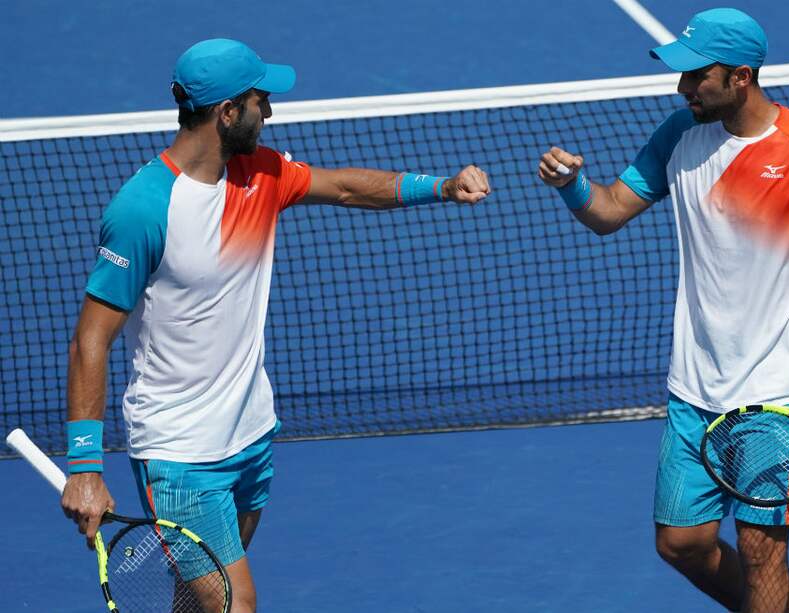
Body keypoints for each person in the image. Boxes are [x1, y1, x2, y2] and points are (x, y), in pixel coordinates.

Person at [60, 38, 491, 613]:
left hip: (251, 432)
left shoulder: (261, 172)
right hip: (181, 452)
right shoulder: (143, 210)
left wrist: (439, 187)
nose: (272, 111)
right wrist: (85, 466)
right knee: (237, 604)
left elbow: (342, 186)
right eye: (262, 99)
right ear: (228, 112)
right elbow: (92, 337)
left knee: (196, 603)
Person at [538, 8, 789, 613]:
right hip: (695, 388)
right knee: (681, 543)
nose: (683, 87)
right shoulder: (679, 135)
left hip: (780, 395)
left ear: (741, 77)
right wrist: (572, 188)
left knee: (763, 551)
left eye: (696, 76)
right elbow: (609, 210)